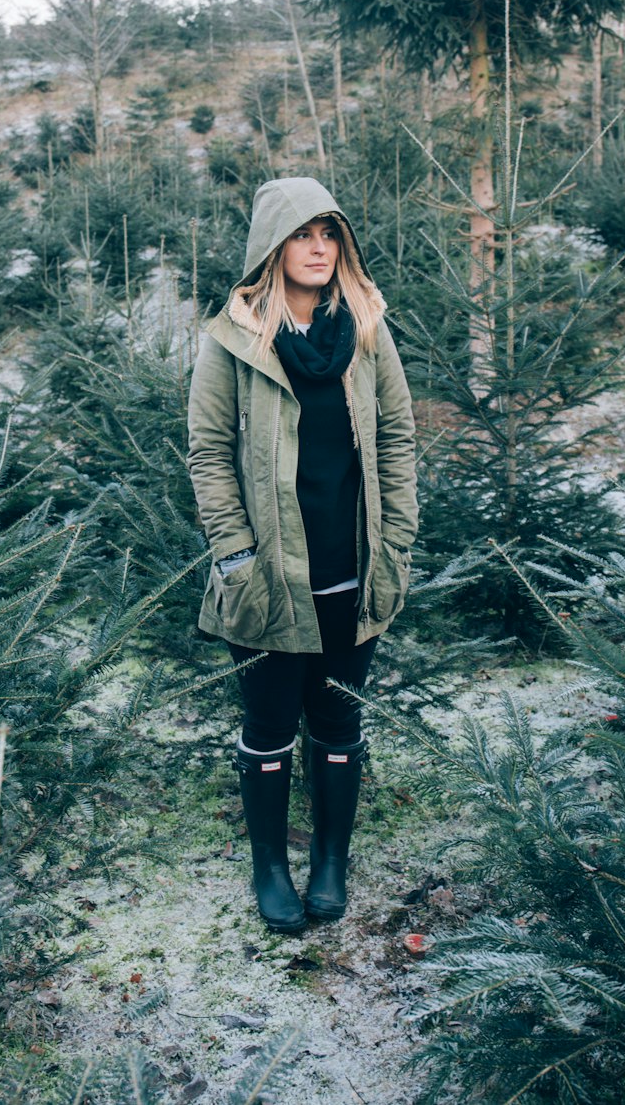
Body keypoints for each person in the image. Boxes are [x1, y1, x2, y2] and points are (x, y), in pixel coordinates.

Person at [187, 177, 417, 933]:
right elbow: (208, 455)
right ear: (273, 247)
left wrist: (399, 540)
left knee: (339, 725)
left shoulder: (369, 331)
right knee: (269, 726)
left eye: (330, 235)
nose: (319, 248)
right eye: (303, 234)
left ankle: (329, 863)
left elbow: (398, 439)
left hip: (353, 569)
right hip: (267, 578)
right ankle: (270, 868)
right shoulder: (232, 340)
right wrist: (234, 555)